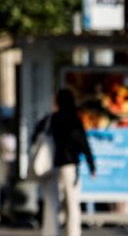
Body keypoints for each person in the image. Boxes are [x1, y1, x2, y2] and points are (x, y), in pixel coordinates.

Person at [34, 88, 96, 236]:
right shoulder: (74, 120)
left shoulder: (50, 120)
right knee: (72, 204)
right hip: (69, 166)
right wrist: (91, 165)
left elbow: (35, 137)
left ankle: (52, 232)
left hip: (50, 167)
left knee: (52, 205)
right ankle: (73, 233)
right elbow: (83, 143)